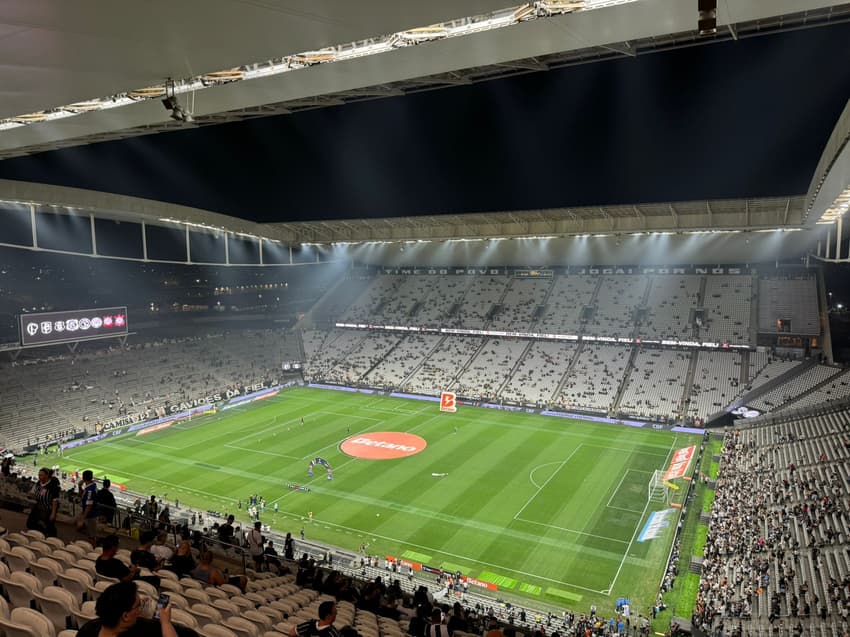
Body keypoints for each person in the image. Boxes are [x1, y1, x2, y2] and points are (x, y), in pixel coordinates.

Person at [76, 580, 197, 637]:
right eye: (139, 605)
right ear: (125, 616)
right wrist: (165, 622)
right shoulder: (141, 631)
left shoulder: (88, 628)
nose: (140, 609)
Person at [28, 466, 60, 537]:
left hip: (48, 508)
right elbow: (33, 492)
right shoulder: (38, 483)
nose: (39, 477)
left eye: (41, 475)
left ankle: (52, 537)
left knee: (49, 525)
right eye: (39, 475)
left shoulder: (52, 486)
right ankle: (41, 532)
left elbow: (55, 501)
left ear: (47, 475)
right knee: (30, 523)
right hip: (38, 506)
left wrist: (53, 513)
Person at [77, 469, 99, 547]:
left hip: (91, 516)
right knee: (90, 534)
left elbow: (89, 506)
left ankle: (93, 551)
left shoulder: (90, 490)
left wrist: (82, 519)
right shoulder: (91, 487)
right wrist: (79, 486)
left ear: (83, 478)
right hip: (89, 514)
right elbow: (81, 495)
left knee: (92, 536)